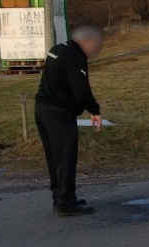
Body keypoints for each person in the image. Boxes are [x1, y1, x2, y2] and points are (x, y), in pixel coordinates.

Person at [34, 25, 105, 217]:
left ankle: (60, 197)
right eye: (96, 46)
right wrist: (94, 110)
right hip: (59, 114)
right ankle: (66, 203)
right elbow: (81, 89)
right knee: (65, 158)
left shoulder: (57, 49)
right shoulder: (75, 56)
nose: (95, 52)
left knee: (54, 158)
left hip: (42, 108)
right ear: (87, 41)